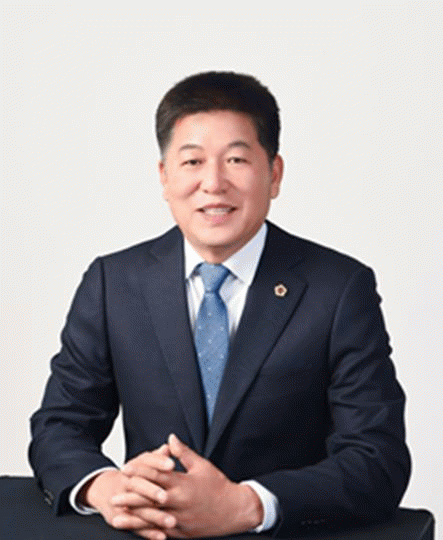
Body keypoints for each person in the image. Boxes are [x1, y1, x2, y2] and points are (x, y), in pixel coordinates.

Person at [29, 71, 411, 539]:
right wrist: (107, 489)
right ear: (164, 177)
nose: (213, 183)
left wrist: (247, 505)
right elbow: (60, 425)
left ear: (274, 174)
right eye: (192, 161)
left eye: (236, 159)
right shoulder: (114, 283)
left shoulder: (338, 289)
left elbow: (377, 458)